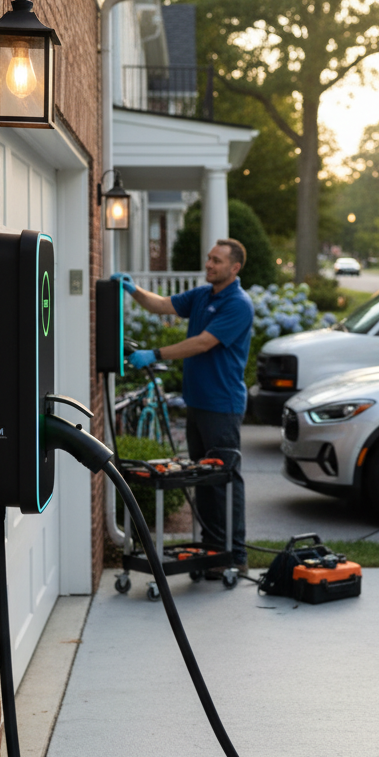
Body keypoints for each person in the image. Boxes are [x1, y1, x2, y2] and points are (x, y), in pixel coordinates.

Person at [112, 240, 254, 578]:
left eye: (217, 260)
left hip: (223, 405)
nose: (209, 264)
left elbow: (204, 342)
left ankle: (235, 554)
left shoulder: (238, 304)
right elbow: (161, 305)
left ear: (234, 268)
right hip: (198, 403)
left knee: (225, 479)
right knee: (202, 478)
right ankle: (211, 550)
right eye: (209, 258)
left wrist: (155, 354)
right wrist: (133, 290)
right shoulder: (203, 295)